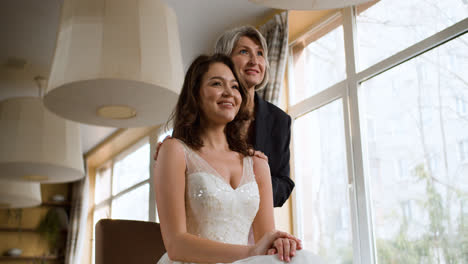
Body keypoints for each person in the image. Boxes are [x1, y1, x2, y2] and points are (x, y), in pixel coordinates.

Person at [154, 54, 323, 264]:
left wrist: (277, 243)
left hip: (247, 262)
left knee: (301, 258)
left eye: (235, 87)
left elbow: (265, 239)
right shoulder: (174, 150)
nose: (229, 93)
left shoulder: (257, 163)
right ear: (195, 93)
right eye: (217, 83)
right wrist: (251, 253)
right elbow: (176, 245)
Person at [214, 26, 293, 207]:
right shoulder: (207, 111)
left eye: (259, 54)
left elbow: (283, 185)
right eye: (244, 52)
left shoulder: (279, 120)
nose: (254, 61)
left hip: (256, 222)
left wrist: (250, 181)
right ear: (223, 61)